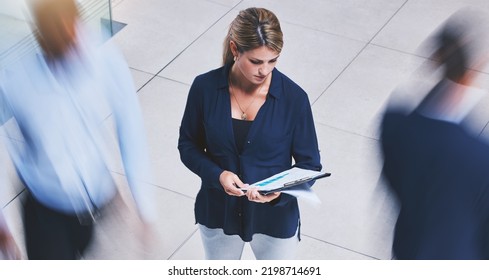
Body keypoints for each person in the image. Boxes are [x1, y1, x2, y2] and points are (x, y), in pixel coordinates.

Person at [0, 0, 155, 259]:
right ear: (40, 35)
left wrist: (143, 203)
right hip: (46, 211)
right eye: (58, 36)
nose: (71, 43)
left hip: (97, 202)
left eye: (73, 30)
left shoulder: (103, 57)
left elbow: (130, 125)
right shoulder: (17, 78)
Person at [178, 7, 322, 260]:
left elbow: (310, 165)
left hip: (275, 220)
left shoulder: (294, 99)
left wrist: (279, 193)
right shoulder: (205, 88)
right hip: (218, 213)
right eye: (256, 61)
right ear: (235, 50)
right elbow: (188, 145)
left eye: (273, 60)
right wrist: (218, 174)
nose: (265, 71)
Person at [380, 8, 489, 259]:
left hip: (407, 248)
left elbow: (393, 181)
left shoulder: (394, 123)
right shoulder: (480, 155)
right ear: (475, 66)